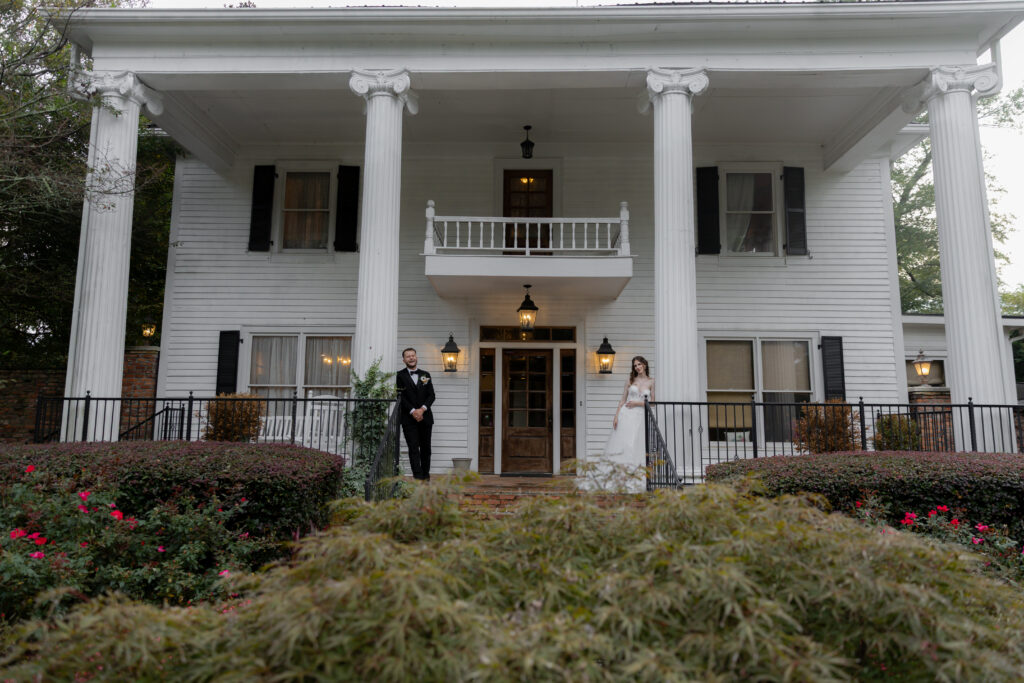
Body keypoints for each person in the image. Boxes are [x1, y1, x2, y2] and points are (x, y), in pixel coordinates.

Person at [580, 356, 654, 493]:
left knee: (636, 445)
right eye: (635, 365)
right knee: (623, 445)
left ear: (644, 364)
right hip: (626, 415)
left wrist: (638, 403)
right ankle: (618, 477)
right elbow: (622, 400)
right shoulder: (630, 380)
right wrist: (616, 416)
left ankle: (635, 477)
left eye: (639, 364)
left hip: (640, 417)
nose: (637, 367)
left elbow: (653, 403)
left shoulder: (651, 382)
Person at [396, 347, 435, 481]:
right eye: (408, 356)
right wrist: (413, 411)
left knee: (426, 448)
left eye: (413, 355)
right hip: (408, 419)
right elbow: (400, 397)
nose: (411, 358)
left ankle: (426, 475)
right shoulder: (399, 376)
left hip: (425, 417)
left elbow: (431, 395)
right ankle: (417, 476)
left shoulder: (425, 375)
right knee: (413, 448)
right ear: (404, 360)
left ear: (416, 357)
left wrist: (422, 409)